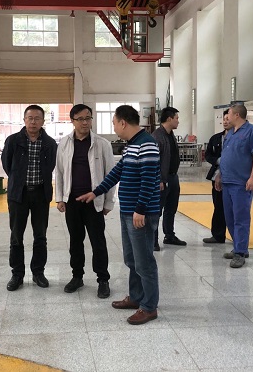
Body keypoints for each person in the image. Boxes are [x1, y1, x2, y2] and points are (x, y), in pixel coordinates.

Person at [77, 105, 160, 325]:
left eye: (114, 123)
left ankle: (149, 307)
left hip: (140, 213)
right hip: (129, 212)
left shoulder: (147, 144)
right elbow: (117, 172)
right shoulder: (132, 145)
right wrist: (96, 192)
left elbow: (149, 180)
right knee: (132, 259)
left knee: (144, 262)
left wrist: (140, 209)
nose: (114, 128)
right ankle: (136, 297)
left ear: (123, 122)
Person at [56, 104, 116, 298]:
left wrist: (108, 202)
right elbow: (60, 173)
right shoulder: (64, 143)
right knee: (75, 241)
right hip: (72, 202)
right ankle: (77, 276)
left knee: (98, 241)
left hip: (94, 202)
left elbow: (111, 175)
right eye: (80, 119)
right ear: (72, 121)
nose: (85, 122)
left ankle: (103, 279)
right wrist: (60, 198)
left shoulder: (102, 144)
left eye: (88, 118)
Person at [1, 105, 58, 291]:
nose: (33, 122)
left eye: (37, 118)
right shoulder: (13, 141)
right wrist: (18, 181)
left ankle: (38, 273)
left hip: (41, 194)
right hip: (19, 194)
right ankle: (17, 274)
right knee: (16, 236)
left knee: (40, 236)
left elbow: (51, 166)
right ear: (24, 120)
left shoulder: (50, 143)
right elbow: (7, 164)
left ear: (43, 121)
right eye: (30, 118)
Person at [214, 104, 253, 268]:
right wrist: (220, 175)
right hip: (227, 181)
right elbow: (226, 155)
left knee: (241, 218)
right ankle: (239, 246)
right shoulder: (230, 133)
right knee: (229, 217)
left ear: (236, 115)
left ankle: (240, 253)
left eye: (228, 114)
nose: (226, 117)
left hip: (241, 183)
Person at [151, 107, 186, 250]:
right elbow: (154, 160)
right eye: (176, 118)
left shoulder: (170, 134)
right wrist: (159, 179)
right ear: (169, 119)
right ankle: (152, 240)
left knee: (171, 208)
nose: (178, 121)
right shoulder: (157, 136)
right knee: (156, 210)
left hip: (173, 177)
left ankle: (169, 235)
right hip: (162, 180)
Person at [203, 109, 230, 244]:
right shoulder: (215, 138)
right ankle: (218, 235)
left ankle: (237, 237)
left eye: (227, 119)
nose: (225, 122)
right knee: (218, 206)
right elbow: (208, 155)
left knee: (233, 208)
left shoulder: (239, 137)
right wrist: (218, 161)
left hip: (233, 177)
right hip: (216, 176)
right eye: (223, 119)